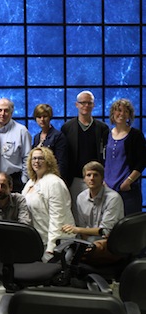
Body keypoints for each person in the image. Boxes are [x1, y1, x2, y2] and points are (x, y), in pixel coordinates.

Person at [61, 90, 109, 223]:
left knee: (97, 214)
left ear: (93, 105)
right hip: (75, 179)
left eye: (89, 103)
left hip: (96, 178)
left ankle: (95, 242)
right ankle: (78, 242)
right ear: (77, 104)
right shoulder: (67, 127)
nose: (86, 106)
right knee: (76, 214)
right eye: (83, 103)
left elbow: (106, 154)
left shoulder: (102, 128)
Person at [22, 147, 75, 262]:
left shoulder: (54, 182)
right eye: (34, 158)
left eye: (41, 158)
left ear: (48, 161)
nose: (36, 161)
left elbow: (57, 217)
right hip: (37, 240)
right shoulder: (30, 182)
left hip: (54, 242)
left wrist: (52, 246)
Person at [62, 161, 124, 242]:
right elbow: (82, 227)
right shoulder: (81, 197)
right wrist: (86, 243)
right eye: (88, 175)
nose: (92, 178)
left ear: (102, 178)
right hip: (90, 239)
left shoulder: (113, 198)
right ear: (84, 179)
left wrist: (77, 230)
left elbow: (105, 231)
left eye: (96, 175)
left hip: (110, 240)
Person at [103, 98, 146, 215]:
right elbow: (101, 159)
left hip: (128, 190)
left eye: (126, 111)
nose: (121, 114)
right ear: (113, 113)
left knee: (131, 226)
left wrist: (128, 181)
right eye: (118, 110)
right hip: (108, 189)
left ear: (129, 115)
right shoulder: (106, 134)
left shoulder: (136, 135)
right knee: (110, 227)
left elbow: (142, 161)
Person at [0, 98, 31, 193]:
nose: (2, 114)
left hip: (14, 180)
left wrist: (24, 180)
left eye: (6, 110)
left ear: (11, 112)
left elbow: (27, 157)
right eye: (0, 110)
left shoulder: (21, 130)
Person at [32, 104, 68, 183]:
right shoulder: (36, 137)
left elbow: (61, 163)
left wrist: (57, 180)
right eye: (39, 117)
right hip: (39, 178)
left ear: (50, 117)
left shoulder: (58, 136)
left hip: (53, 178)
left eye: (45, 116)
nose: (42, 119)